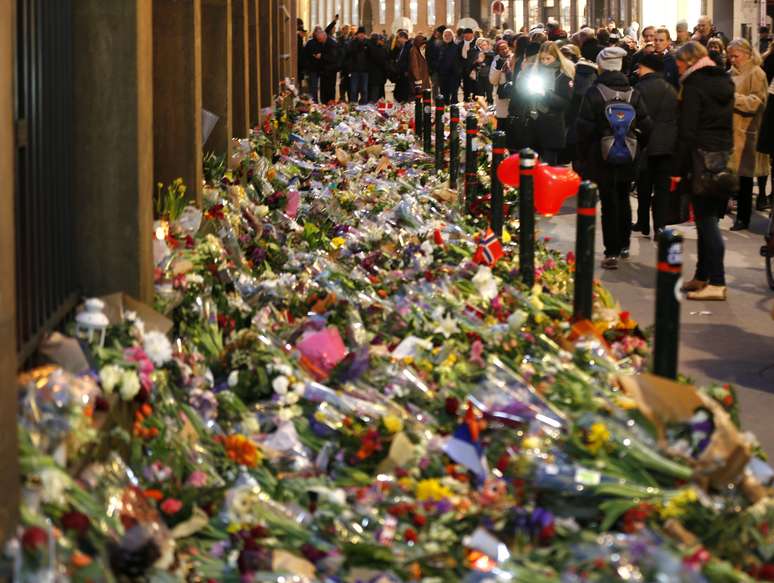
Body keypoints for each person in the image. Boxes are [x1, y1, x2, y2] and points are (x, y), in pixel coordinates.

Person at [576, 46, 652, 269]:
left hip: (602, 158)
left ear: (601, 67)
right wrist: (635, 145)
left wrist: (585, 156)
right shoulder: (633, 93)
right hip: (627, 155)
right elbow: (648, 126)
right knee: (624, 199)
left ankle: (611, 252)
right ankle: (625, 244)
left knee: (608, 202)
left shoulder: (594, 92)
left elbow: (583, 130)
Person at [672, 42, 734, 300]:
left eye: (678, 66)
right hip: (721, 155)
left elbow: (687, 131)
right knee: (706, 218)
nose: (677, 71)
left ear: (688, 61)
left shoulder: (694, 85)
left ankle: (717, 283)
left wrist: (677, 168)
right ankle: (702, 276)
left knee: (706, 221)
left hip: (700, 157)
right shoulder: (724, 81)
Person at [632, 53, 678, 239]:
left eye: (639, 67)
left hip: (645, 144)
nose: (637, 70)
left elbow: (636, 118)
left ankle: (643, 222)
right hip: (666, 145)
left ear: (646, 67)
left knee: (643, 186)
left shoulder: (638, 88)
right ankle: (660, 226)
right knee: (661, 189)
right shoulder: (671, 89)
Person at [726, 38, 770, 227]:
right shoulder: (729, 73)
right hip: (731, 131)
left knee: (744, 179)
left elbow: (757, 101)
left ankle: (743, 218)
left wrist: (733, 98)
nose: (732, 60)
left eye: (735, 56)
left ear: (746, 54)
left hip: (747, 131)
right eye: (730, 56)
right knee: (731, 176)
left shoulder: (756, 73)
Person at [521, 41, 574, 165]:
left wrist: (546, 94)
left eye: (548, 58)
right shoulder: (534, 70)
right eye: (542, 58)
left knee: (549, 164)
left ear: (556, 57)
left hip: (552, 123)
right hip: (534, 120)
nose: (545, 62)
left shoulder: (562, 74)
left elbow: (566, 102)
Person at [305, 27, 339, 103]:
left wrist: (321, 56)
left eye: (320, 39)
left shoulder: (331, 44)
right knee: (323, 90)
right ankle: (325, 105)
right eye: (318, 39)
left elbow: (333, 58)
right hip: (324, 71)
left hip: (330, 71)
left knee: (329, 90)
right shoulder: (324, 42)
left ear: (323, 36)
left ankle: (330, 106)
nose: (319, 41)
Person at [490, 39, 513, 131]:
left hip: (512, 92)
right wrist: (498, 69)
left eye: (505, 48)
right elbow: (493, 80)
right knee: (503, 120)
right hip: (502, 94)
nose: (504, 50)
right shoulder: (496, 60)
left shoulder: (513, 57)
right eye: (501, 49)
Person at [346, 27, 371, 105]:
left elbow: (371, 55)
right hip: (354, 70)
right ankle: (353, 104)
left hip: (365, 70)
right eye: (360, 34)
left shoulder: (368, 43)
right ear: (357, 35)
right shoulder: (352, 43)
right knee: (353, 90)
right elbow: (349, 53)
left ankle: (364, 105)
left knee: (364, 90)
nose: (361, 36)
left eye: (363, 34)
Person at [437, 29, 461, 103]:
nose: (447, 37)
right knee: (444, 95)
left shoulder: (457, 47)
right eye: (445, 35)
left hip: (454, 75)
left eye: (449, 35)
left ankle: (454, 113)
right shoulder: (440, 47)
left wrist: (458, 71)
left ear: (452, 36)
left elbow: (460, 60)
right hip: (443, 75)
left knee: (454, 96)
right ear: (443, 37)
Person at [391, 31, 412, 103]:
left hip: (405, 74)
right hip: (401, 73)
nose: (398, 39)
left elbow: (410, 60)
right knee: (398, 94)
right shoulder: (403, 47)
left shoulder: (409, 46)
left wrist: (407, 70)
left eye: (399, 37)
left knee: (403, 94)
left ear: (403, 37)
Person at [459, 28, 480, 101]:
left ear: (472, 34)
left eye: (468, 34)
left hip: (475, 69)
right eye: (465, 34)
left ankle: (476, 104)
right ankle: (466, 102)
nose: (467, 36)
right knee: (466, 89)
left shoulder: (477, 43)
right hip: (464, 69)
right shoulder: (460, 44)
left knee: (476, 89)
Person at [367, 34, 389, 102]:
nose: (383, 42)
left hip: (375, 75)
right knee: (376, 94)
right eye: (382, 40)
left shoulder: (370, 47)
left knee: (375, 92)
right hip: (378, 75)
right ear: (378, 40)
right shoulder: (378, 49)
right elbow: (382, 61)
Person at [475, 38, 495, 102]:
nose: (483, 46)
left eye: (485, 44)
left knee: (489, 94)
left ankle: (490, 107)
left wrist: (484, 54)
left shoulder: (491, 53)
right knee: (481, 95)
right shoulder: (477, 53)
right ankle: (483, 109)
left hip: (488, 76)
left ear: (488, 45)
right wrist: (477, 62)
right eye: (481, 45)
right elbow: (473, 64)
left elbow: (492, 57)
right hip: (480, 76)